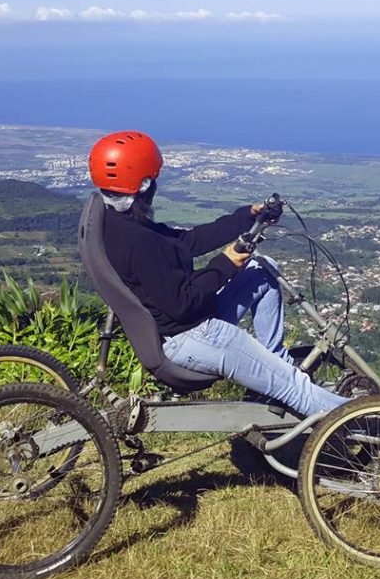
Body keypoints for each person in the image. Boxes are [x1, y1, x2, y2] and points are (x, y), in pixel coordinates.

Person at [89, 130, 348, 417]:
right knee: (295, 386)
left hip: (187, 325)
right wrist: (225, 263)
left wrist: (247, 216)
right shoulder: (140, 243)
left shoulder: (120, 224)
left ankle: (276, 364)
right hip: (191, 336)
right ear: (145, 184)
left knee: (262, 270)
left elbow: (187, 241)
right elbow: (183, 303)